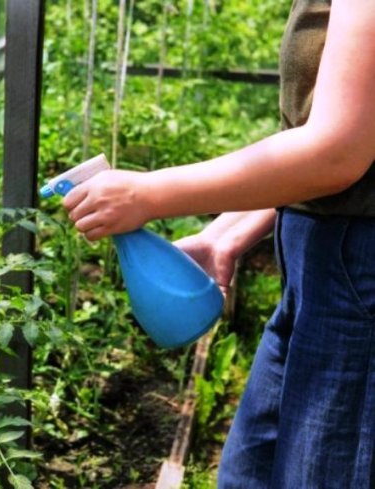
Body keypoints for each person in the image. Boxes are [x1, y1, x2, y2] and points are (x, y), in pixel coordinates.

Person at [63, 1, 375, 487]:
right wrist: (224, 235)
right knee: (249, 474)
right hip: (317, 270)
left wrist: (146, 194)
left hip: (358, 282)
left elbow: (339, 152)